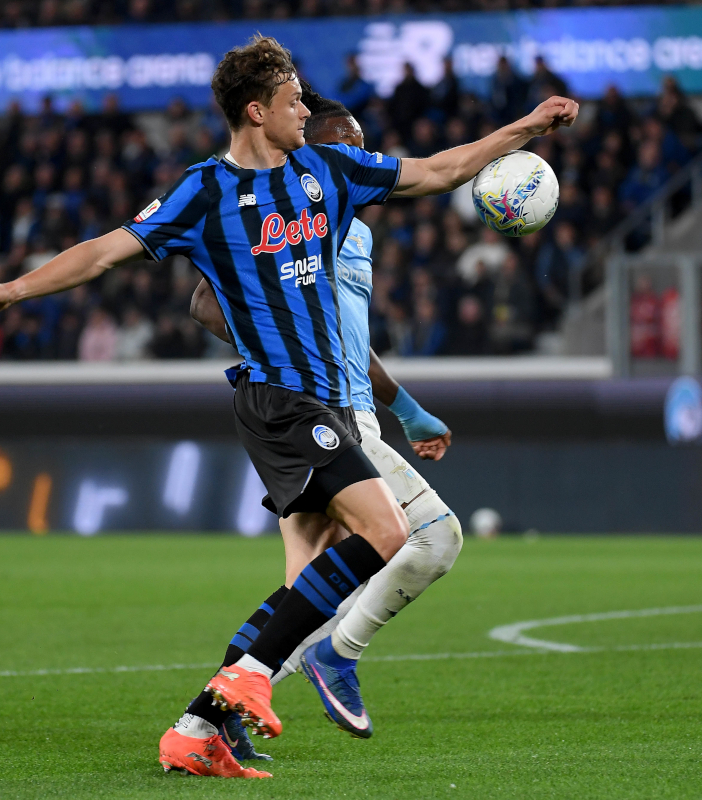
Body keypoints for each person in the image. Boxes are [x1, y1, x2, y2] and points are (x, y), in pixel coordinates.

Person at [0, 34, 577, 779]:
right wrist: (14, 289)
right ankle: (266, 676)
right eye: (293, 100)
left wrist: (528, 126)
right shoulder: (204, 191)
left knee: (302, 588)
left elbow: (442, 169)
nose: (306, 109)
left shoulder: (330, 169)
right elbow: (105, 249)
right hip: (279, 400)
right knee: (390, 530)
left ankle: (197, 728)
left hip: (329, 408)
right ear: (257, 111)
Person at [189, 88, 460, 752]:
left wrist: (408, 408)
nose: (357, 155)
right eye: (341, 144)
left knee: (306, 582)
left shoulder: (354, 230)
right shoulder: (296, 213)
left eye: (363, 145)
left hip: (350, 410)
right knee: (433, 539)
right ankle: (337, 655)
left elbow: (348, 338)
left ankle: (208, 718)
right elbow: (204, 299)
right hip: (318, 413)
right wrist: (275, 356)